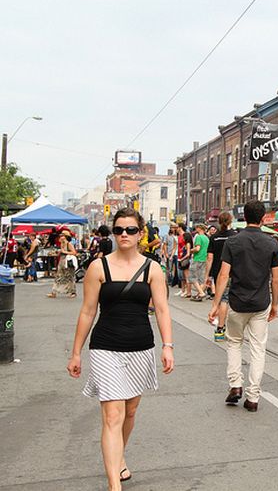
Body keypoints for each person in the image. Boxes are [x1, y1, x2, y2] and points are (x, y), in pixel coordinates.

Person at [66, 207, 174, 490]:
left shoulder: (152, 268)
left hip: (140, 347)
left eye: (130, 230)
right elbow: (87, 312)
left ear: (141, 234)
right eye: (118, 230)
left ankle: (119, 456)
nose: (123, 235)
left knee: (130, 412)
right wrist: (76, 352)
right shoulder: (98, 267)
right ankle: (115, 483)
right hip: (105, 347)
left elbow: (162, 309)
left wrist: (168, 346)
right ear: (113, 233)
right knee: (112, 414)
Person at [209, 200, 278, 412]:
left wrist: (215, 304)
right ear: (263, 218)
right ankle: (253, 397)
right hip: (261, 304)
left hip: (237, 302)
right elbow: (276, 280)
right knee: (258, 349)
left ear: (244, 217)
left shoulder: (233, 242)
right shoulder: (272, 243)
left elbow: (223, 275)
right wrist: (275, 304)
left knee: (234, 343)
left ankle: (235, 385)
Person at [205, 212, 237, 338]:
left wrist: (207, 275)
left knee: (223, 300)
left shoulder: (214, 238)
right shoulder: (235, 237)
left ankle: (220, 329)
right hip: (232, 273)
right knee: (230, 300)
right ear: (230, 221)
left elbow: (210, 258)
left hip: (218, 273)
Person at [47, 231, 78, 298]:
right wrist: (55, 253)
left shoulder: (69, 244)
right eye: (60, 236)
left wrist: (64, 251)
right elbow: (60, 253)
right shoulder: (62, 244)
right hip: (61, 262)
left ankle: (73, 292)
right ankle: (54, 292)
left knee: (70, 277)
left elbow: (74, 252)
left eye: (62, 236)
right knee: (58, 277)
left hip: (68, 262)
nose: (60, 237)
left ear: (66, 237)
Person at [187, 224, 209, 301]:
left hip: (197, 258)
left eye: (196, 228)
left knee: (192, 277)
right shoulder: (206, 238)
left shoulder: (198, 237)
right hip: (204, 259)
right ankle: (199, 294)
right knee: (201, 278)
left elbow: (197, 248)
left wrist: (190, 250)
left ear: (199, 228)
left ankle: (201, 293)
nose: (196, 229)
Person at [175, 224, 192, 298]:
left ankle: (188, 292)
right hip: (180, 256)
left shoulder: (186, 235)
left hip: (184, 257)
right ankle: (183, 290)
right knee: (182, 276)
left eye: (177, 227)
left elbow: (188, 249)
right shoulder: (179, 236)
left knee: (187, 275)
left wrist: (183, 257)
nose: (176, 229)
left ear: (180, 228)